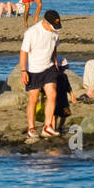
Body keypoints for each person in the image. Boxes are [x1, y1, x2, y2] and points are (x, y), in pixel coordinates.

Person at [20, 9, 63, 139]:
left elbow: (54, 46)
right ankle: (31, 129)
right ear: (45, 23)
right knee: (33, 98)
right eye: (53, 26)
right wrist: (23, 71)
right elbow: (23, 52)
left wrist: (55, 60)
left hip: (49, 67)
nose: (54, 29)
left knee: (53, 94)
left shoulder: (54, 32)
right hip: (33, 69)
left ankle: (47, 126)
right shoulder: (32, 32)